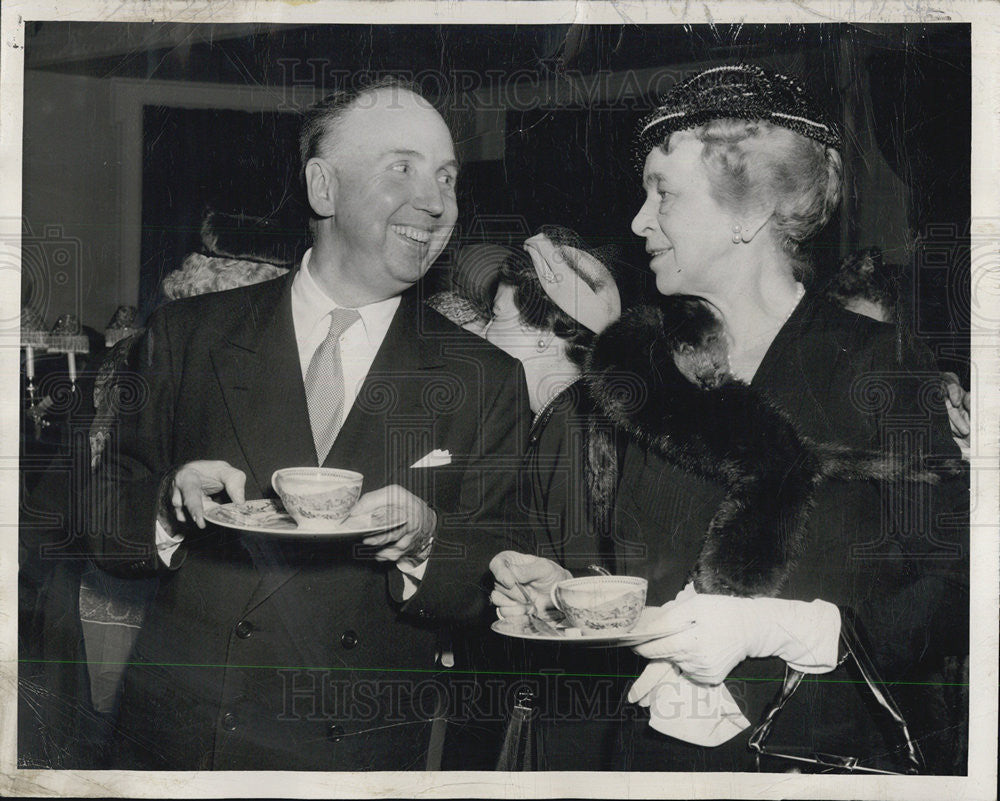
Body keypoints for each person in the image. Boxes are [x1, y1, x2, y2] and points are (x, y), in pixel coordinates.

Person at [490, 64, 968, 773]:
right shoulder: (659, 367)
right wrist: (567, 592)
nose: (637, 221)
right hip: (652, 757)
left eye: (664, 195)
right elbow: (660, 580)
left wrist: (785, 626)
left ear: (748, 214)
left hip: (810, 761)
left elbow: (957, 589)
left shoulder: (877, 362)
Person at [86, 78, 529, 771]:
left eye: (447, 177)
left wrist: (427, 541)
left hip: (357, 754)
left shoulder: (485, 376)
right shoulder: (187, 335)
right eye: (403, 168)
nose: (437, 202)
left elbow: (499, 573)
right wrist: (169, 506)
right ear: (323, 188)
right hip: (185, 742)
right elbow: (96, 516)